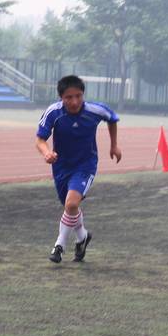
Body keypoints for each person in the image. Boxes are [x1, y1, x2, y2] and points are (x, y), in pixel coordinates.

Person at [36, 75, 122, 263]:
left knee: (71, 204)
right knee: (70, 207)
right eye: (69, 97)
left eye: (78, 96)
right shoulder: (53, 113)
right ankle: (82, 237)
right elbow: (40, 140)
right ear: (61, 98)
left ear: (83, 94)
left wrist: (114, 145)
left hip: (85, 165)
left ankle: (59, 246)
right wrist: (47, 153)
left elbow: (112, 118)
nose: (74, 101)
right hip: (61, 166)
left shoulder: (94, 110)